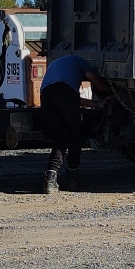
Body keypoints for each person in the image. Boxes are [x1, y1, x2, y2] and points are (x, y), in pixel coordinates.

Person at [38, 53, 107, 194]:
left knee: (61, 137)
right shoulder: (80, 61)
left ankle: (50, 180)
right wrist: (112, 91)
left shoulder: (56, 63)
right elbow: (97, 83)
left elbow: (72, 99)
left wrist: (98, 104)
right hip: (64, 93)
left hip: (46, 95)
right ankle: (72, 179)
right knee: (75, 136)